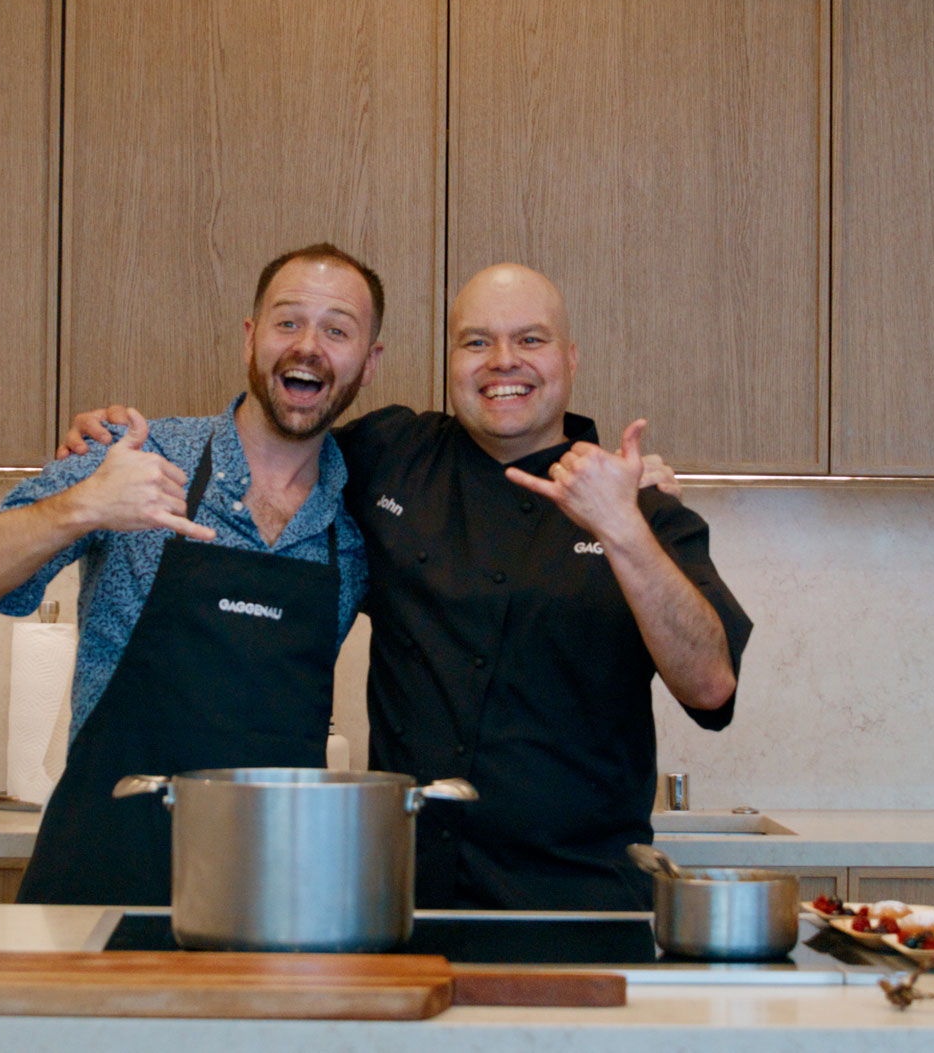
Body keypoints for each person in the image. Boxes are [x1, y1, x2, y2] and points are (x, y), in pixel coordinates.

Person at [63, 262, 752, 911]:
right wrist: (109, 440)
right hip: (402, 899)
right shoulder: (388, 455)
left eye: (529, 340)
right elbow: (279, 437)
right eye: (475, 341)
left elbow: (710, 684)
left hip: (582, 904)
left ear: (569, 358)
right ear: (448, 361)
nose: (502, 361)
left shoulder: (643, 507)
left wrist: (622, 527)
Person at [0, 242, 382, 905]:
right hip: (103, 883)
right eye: (287, 322)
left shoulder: (360, 522)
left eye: (336, 330)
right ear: (250, 340)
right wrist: (83, 504)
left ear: (367, 364)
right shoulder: (136, 456)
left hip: (271, 902)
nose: (307, 345)